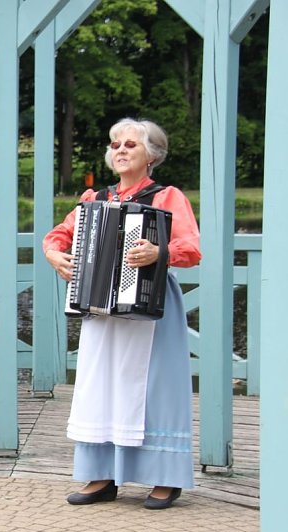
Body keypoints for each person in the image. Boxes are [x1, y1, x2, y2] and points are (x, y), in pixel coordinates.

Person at [43, 118, 201, 510]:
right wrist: (53, 254)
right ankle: (102, 474)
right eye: (115, 143)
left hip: (150, 306)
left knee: (156, 389)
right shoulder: (95, 198)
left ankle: (164, 477)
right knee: (101, 384)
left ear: (152, 154)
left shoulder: (167, 197)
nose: (121, 150)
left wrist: (158, 252)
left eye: (131, 144)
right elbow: (57, 235)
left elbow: (191, 249)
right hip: (101, 305)